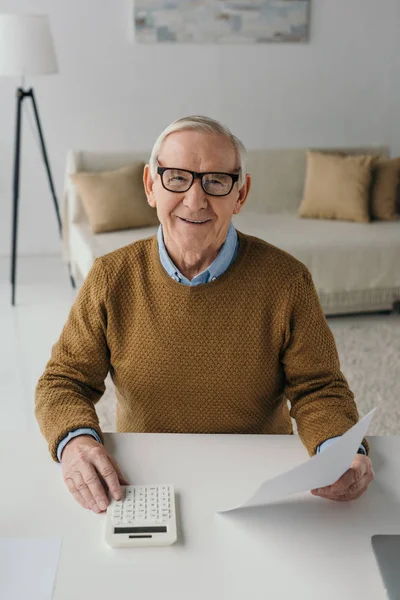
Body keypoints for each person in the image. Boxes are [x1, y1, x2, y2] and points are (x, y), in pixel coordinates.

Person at [35, 115, 375, 514]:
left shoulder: (288, 280)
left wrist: (339, 450)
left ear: (241, 194)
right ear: (150, 185)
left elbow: (319, 387)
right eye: (177, 178)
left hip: (258, 480)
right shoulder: (110, 277)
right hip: (142, 480)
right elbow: (63, 381)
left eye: (215, 181)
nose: (195, 200)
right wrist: (76, 442)